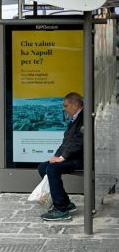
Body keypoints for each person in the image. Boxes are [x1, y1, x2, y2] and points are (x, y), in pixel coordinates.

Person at [38, 92, 84, 221]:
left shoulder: (84, 118)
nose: (63, 108)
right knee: (43, 167)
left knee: (52, 169)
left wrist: (62, 158)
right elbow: (66, 142)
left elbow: (79, 141)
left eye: (65, 105)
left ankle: (61, 209)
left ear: (74, 105)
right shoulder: (75, 119)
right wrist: (56, 156)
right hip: (72, 157)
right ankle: (66, 203)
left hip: (81, 159)